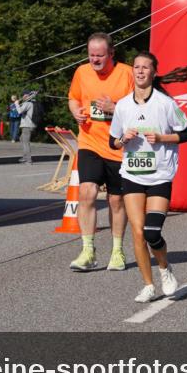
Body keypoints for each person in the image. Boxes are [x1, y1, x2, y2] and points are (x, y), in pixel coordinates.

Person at [110, 52, 187, 302]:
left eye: (145, 68)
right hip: (132, 174)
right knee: (137, 232)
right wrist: (122, 139)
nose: (140, 71)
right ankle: (148, 285)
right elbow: (112, 142)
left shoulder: (166, 104)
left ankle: (164, 268)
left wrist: (161, 138)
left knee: (151, 232)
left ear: (154, 72)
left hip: (159, 175)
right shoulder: (123, 105)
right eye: (136, 67)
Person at [67, 32, 134, 272]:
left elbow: (140, 109)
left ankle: (117, 251)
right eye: (91, 55)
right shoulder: (82, 73)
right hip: (89, 142)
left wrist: (114, 108)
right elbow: (73, 98)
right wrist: (75, 111)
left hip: (118, 146)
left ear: (111, 54)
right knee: (87, 192)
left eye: (100, 56)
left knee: (116, 200)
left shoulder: (127, 74)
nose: (94, 60)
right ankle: (88, 251)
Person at [16, 91, 37, 164]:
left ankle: (28, 160)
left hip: (27, 126)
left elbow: (19, 111)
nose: (24, 97)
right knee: (22, 139)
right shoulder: (30, 103)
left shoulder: (27, 103)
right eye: (23, 95)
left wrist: (16, 104)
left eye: (25, 95)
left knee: (26, 143)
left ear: (28, 96)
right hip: (28, 125)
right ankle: (25, 157)